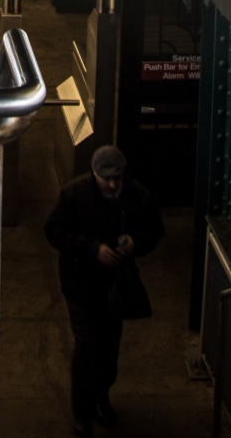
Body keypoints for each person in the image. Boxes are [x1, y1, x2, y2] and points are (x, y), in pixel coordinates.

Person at [44, 146, 163, 437]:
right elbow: (54, 231)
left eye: (117, 178)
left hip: (114, 286)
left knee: (109, 346)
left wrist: (135, 242)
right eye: (106, 178)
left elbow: (154, 230)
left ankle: (101, 395)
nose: (112, 184)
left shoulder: (137, 196)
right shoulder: (74, 195)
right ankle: (83, 411)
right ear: (94, 174)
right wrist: (92, 249)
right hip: (81, 286)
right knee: (87, 346)